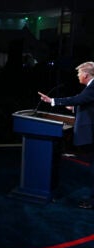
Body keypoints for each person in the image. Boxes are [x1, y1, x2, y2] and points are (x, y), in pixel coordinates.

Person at [38, 61, 94, 209]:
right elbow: (88, 105)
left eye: (79, 73)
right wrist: (74, 108)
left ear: (86, 75)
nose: (77, 76)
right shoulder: (91, 88)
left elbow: (78, 99)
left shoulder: (93, 87)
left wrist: (52, 101)